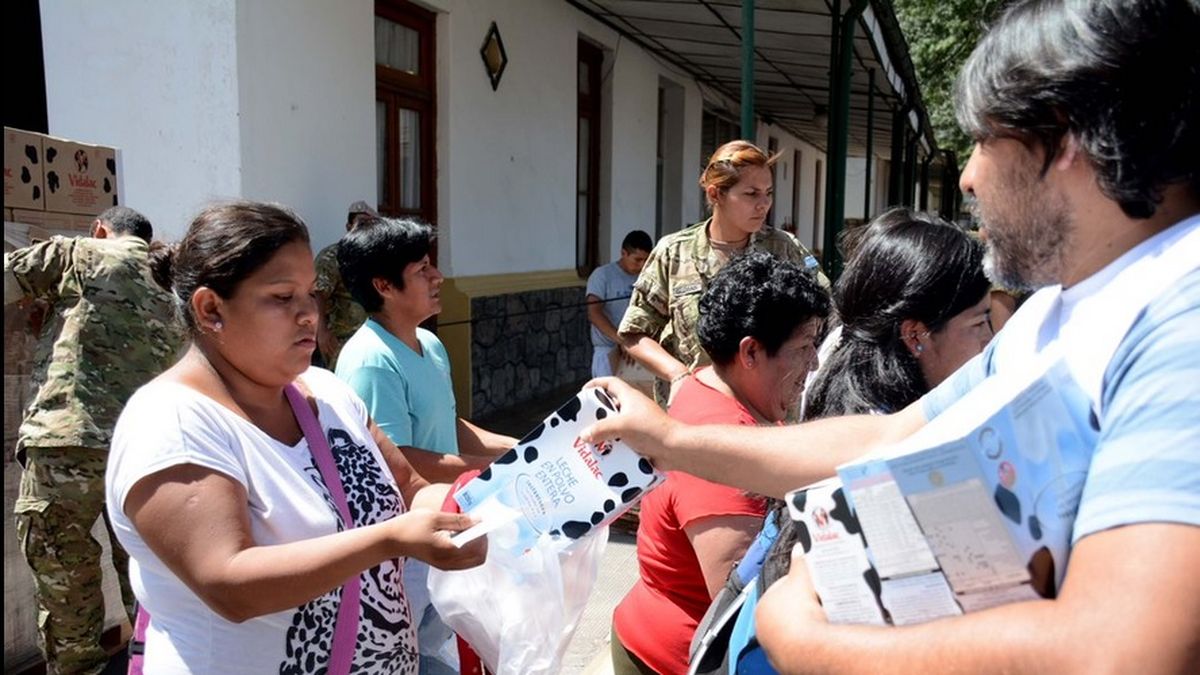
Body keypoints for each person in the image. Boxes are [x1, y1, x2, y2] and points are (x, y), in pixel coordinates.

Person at [583, 0, 1200, 671]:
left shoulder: (1180, 325)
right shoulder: (1072, 307)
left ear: (1065, 138)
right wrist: (673, 440)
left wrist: (813, 643)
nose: (967, 175)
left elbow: (1121, 649)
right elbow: (888, 434)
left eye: (986, 141)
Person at [104, 201, 485, 674]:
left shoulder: (328, 395)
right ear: (210, 309)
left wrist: (480, 508)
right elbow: (228, 582)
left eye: (310, 293)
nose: (308, 314)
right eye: (283, 297)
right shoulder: (173, 424)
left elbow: (410, 490)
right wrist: (389, 540)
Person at [719, 209, 991, 672]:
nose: (992, 343)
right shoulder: (885, 468)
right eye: (979, 323)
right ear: (915, 335)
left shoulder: (852, 382)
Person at [610, 252, 831, 675]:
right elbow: (738, 602)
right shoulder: (724, 458)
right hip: (673, 658)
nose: (815, 363)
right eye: (804, 348)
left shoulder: (707, 384)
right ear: (750, 352)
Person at [333, 216, 517, 673]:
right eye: (421, 270)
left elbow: (447, 425)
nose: (437, 277)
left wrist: (525, 447)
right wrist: (495, 469)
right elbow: (398, 460)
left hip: (444, 528)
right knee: (413, 654)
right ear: (384, 285)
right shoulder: (370, 360)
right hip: (404, 552)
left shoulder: (429, 344)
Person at [4, 205, 183, 675]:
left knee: (65, 573)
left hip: (68, 441)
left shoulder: (80, 253)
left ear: (101, 229)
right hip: (150, 447)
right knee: (151, 574)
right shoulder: (176, 279)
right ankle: (154, 662)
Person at [619, 140, 826, 405]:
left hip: (768, 413)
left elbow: (824, 311)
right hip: (698, 410)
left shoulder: (784, 249)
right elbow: (634, 334)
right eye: (751, 194)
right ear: (716, 194)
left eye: (769, 193)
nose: (764, 204)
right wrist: (679, 375)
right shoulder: (674, 253)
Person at [313, 200, 375, 370]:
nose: (365, 229)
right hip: (341, 340)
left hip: (371, 337)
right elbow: (317, 294)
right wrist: (322, 333)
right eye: (361, 224)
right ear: (348, 226)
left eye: (370, 224)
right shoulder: (332, 256)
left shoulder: (375, 258)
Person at [586, 229, 653, 378]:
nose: (641, 265)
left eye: (645, 260)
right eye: (637, 259)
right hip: (608, 350)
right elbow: (594, 313)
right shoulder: (602, 275)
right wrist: (621, 341)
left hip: (638, 349)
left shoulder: (647, 278)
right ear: (624, 253)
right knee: (608, 399)